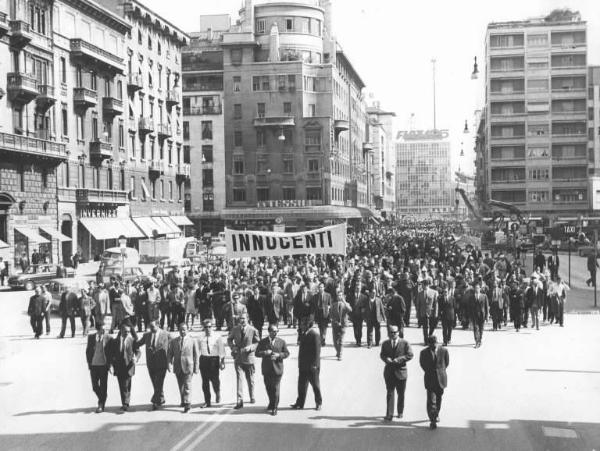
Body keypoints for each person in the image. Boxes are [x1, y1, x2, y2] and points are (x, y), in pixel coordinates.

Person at [380, 325, 413, 421]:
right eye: (391, 332)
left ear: (398, 332)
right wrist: (386, 359)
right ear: (388, 333)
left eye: (395, 332)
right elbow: (382, 354)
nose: (393, 334)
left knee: (401, 393)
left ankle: (400, 411)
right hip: (389, 372)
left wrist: (399, 360)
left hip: (401, 372)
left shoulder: (405, 343)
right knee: (390, 392)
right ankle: (389, 414)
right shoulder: (385, 344)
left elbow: (410, 355)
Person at [255, 324, 290, 415]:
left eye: (276, 331)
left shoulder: (281, 342)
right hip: (267, 369)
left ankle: (275, 407)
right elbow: (256, 353)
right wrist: (265, 352)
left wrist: (279, 355)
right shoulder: (263, 342)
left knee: (276, 388)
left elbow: (286, 353)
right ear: (269, 332)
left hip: (277, 369)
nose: (275, 333)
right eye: (273, 331)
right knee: (268, 387)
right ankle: (271, 402)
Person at [227, 313, 259, 409]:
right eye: (241, 319)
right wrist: (233, 347)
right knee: (239, 379)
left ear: (248, 319)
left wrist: (250, 348)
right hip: (238, 358)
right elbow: (229, 339)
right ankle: (239, 400)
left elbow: (257, 342)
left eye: (244, 318)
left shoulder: (253, 330)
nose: (242, 320)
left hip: (249, 358)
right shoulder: (235, 329)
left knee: (250, 379)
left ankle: (252, 396)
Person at [136, 320, 170, 410]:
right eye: (150, 327)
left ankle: (155, 402)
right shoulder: (147, 335)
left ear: (158, 325)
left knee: (159, 382)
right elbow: (138, 344)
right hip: (151, 363)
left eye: (153, 327)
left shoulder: (166, 334)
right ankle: (161, 398)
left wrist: (171, 358)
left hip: (162, 363)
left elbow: (174, 344)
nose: (151, 329)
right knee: (155, 383)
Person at [291, 317, 322, 410]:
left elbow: (317, 351)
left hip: (312, 366)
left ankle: (318, 402)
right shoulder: (304, 334)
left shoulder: (314, 335)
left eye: (302, 324)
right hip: (303, 365)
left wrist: (315, 365)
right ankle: (300, 403)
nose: (300, 326)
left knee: (315, 385)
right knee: (301, 386)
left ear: (308, 325)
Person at [419, 335, 449, 430]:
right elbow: (423, 364)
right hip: (430, 379)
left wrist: (440, 372)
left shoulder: (444, 351)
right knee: (432, 401)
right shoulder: (423, 352)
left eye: (435, 343)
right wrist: (430, 372)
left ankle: (436, 414)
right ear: (428, 344)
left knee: (439, 399)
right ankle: (432, 420)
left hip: (441, 379)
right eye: (432, 344)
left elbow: (446, 363)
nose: (434, 345)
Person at [167, 323, 199, 413]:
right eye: (181, 329)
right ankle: (183, 400)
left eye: (184, 329)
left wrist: (196, 367)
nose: (182, 331)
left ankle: (187, 403)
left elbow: (196, 355)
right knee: (180, 385)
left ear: (187, 330)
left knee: (187, 385)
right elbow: (170, 354)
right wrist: (169, 364)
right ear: (178, 330)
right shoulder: (173, 341)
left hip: (188, 366)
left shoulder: (192, 341)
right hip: (177, 366)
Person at [110, 323, 139, 412]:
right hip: (119, 366)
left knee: (126, 385)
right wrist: (111, 365)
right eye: (125, 331)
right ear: (121, 331)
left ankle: (126, 403)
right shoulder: (115, 341)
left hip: (129, 365)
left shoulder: (132, 340)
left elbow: (138, 351)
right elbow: (111, 354)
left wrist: (136, 358)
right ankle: (124, 402)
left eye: (129, 331)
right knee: (121, 385)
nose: (127, 333)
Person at [197, 319, 226, 408]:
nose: (208, 329)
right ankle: (207, 401)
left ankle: (217, 392)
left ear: (212, 327)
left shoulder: (217, 337)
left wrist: (222, 362)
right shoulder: (200, 337)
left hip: (214, 360)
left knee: (215, 380)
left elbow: (221, 350)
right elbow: (197, 350)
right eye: (206, 327)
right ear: (203, 328)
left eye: (209, 327)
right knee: (205, 382)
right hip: (204, 359)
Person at [85, 322, 113, 413]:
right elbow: (88, 351)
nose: (104, 330)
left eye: (105, 329)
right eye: (102, 329)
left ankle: (101, 404)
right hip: (93, 365)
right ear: (98, 329)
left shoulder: (108, 338)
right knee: (95, 386)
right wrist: (89, 363)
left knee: (103, 386)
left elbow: (112, 352)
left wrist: (111, 364)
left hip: (103, 366)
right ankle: (103, 397)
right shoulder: (91, 338)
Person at [329, 288, 352, 360]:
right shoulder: (333, 305)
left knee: (341, 341)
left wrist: (344, 301)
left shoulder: (346, 304)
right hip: (335, 324)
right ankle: (338, 351)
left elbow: (350, 310)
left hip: (343, 324)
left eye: (341, 295)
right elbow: (331, 315)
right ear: (337, 297)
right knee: (335, 341)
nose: (340, 297)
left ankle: (340, 354)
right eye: (339, 295)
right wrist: (334, 321)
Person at [416, 280, 439, 345]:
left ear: (426, 285)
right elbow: (418, 304)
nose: (421, 286)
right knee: (425, 327)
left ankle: (430, 336)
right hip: (423, 312)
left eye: (422, 285)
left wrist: (436, 313)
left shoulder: (434, 292)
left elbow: (436, 303)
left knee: (432, 326)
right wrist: (418, 313)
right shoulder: (420, 293)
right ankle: (426, 341)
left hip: (431, 312)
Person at [470, 283, 488, 348]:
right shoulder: (471, 297)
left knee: (481, 329)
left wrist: (487, 316)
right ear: (474, 289)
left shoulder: (484, 296)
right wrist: (470, 317)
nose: (477, 289)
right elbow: (470, 307)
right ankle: (477, 341)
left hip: (482, 315)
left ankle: (479, 339)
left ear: (480, 289)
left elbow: (486, 307)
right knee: (475, 328)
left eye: (478, 288)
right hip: (474, 315)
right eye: (476, 288)